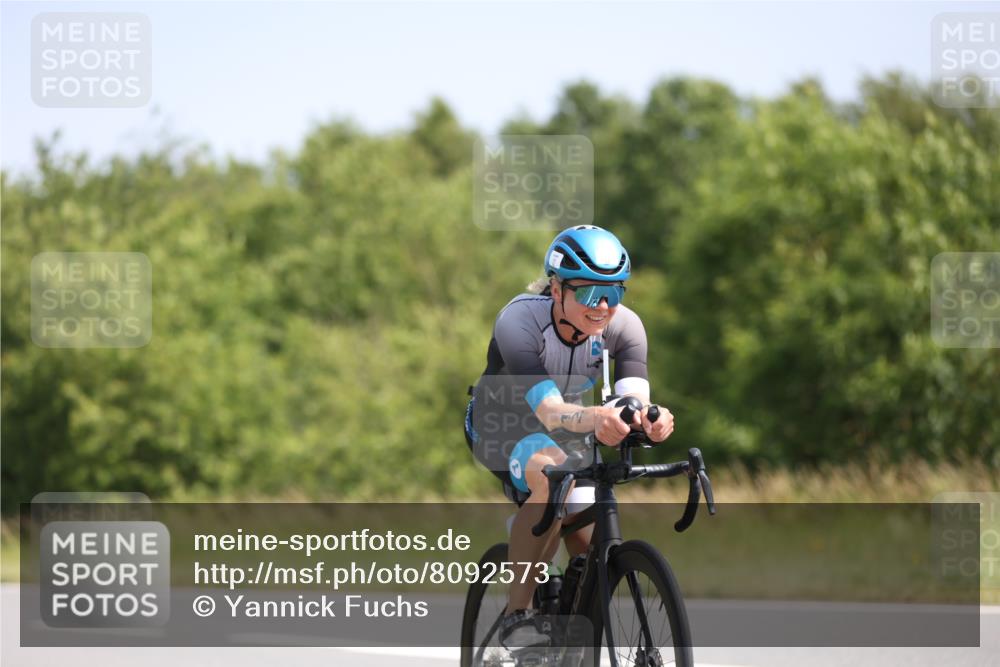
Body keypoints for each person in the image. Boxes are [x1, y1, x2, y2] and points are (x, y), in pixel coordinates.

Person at [464, 224, 675, 649]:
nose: (602, 307)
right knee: (550, 477)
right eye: (587, 293)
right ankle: (517, 616)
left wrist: (649, 420)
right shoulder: (519, 320)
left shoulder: (626, 327)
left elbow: (630, 401)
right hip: (503, 423)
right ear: (557, 288)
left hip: (571, 426)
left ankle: (567, 615)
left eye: (613, 294)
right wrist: (598, 416)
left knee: (587, 551)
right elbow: (549, 410)